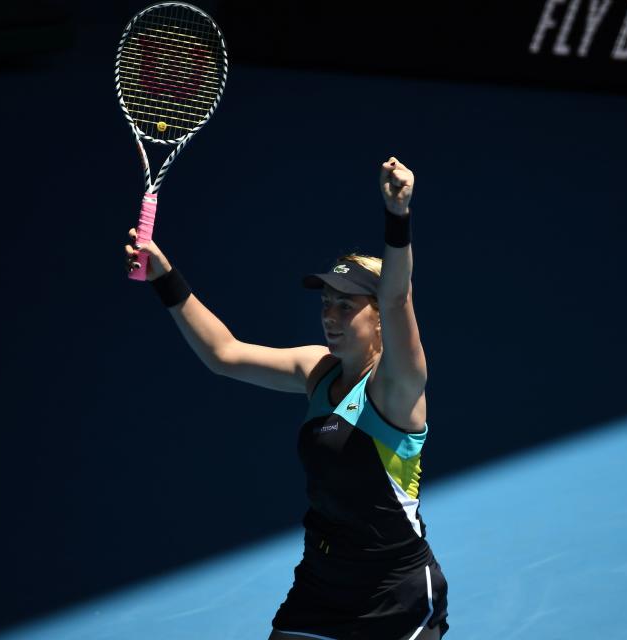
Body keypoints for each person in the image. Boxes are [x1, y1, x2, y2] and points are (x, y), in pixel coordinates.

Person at [124, 156, 449, 640]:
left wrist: (396, 217)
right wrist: (164, 277)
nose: (330, 315)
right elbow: (224, 354)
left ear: (379, 316)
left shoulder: (396, 386)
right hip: (323, 584)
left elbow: (399, 296)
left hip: (393, 594)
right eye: (325, 303)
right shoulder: (316, 370)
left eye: (346, 305)